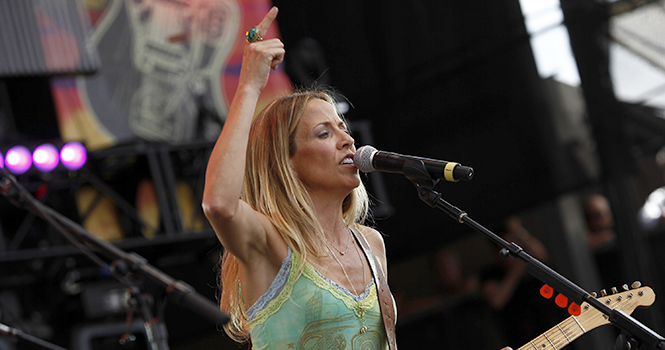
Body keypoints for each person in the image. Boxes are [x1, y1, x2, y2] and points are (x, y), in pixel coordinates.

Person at [202, 7, 393, 349]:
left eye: (343, 128)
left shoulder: (371, 245)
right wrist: (249, 86)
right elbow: (219, 203)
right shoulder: (270, 244)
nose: (347, 140)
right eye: (324, 134)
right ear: (285, 163)